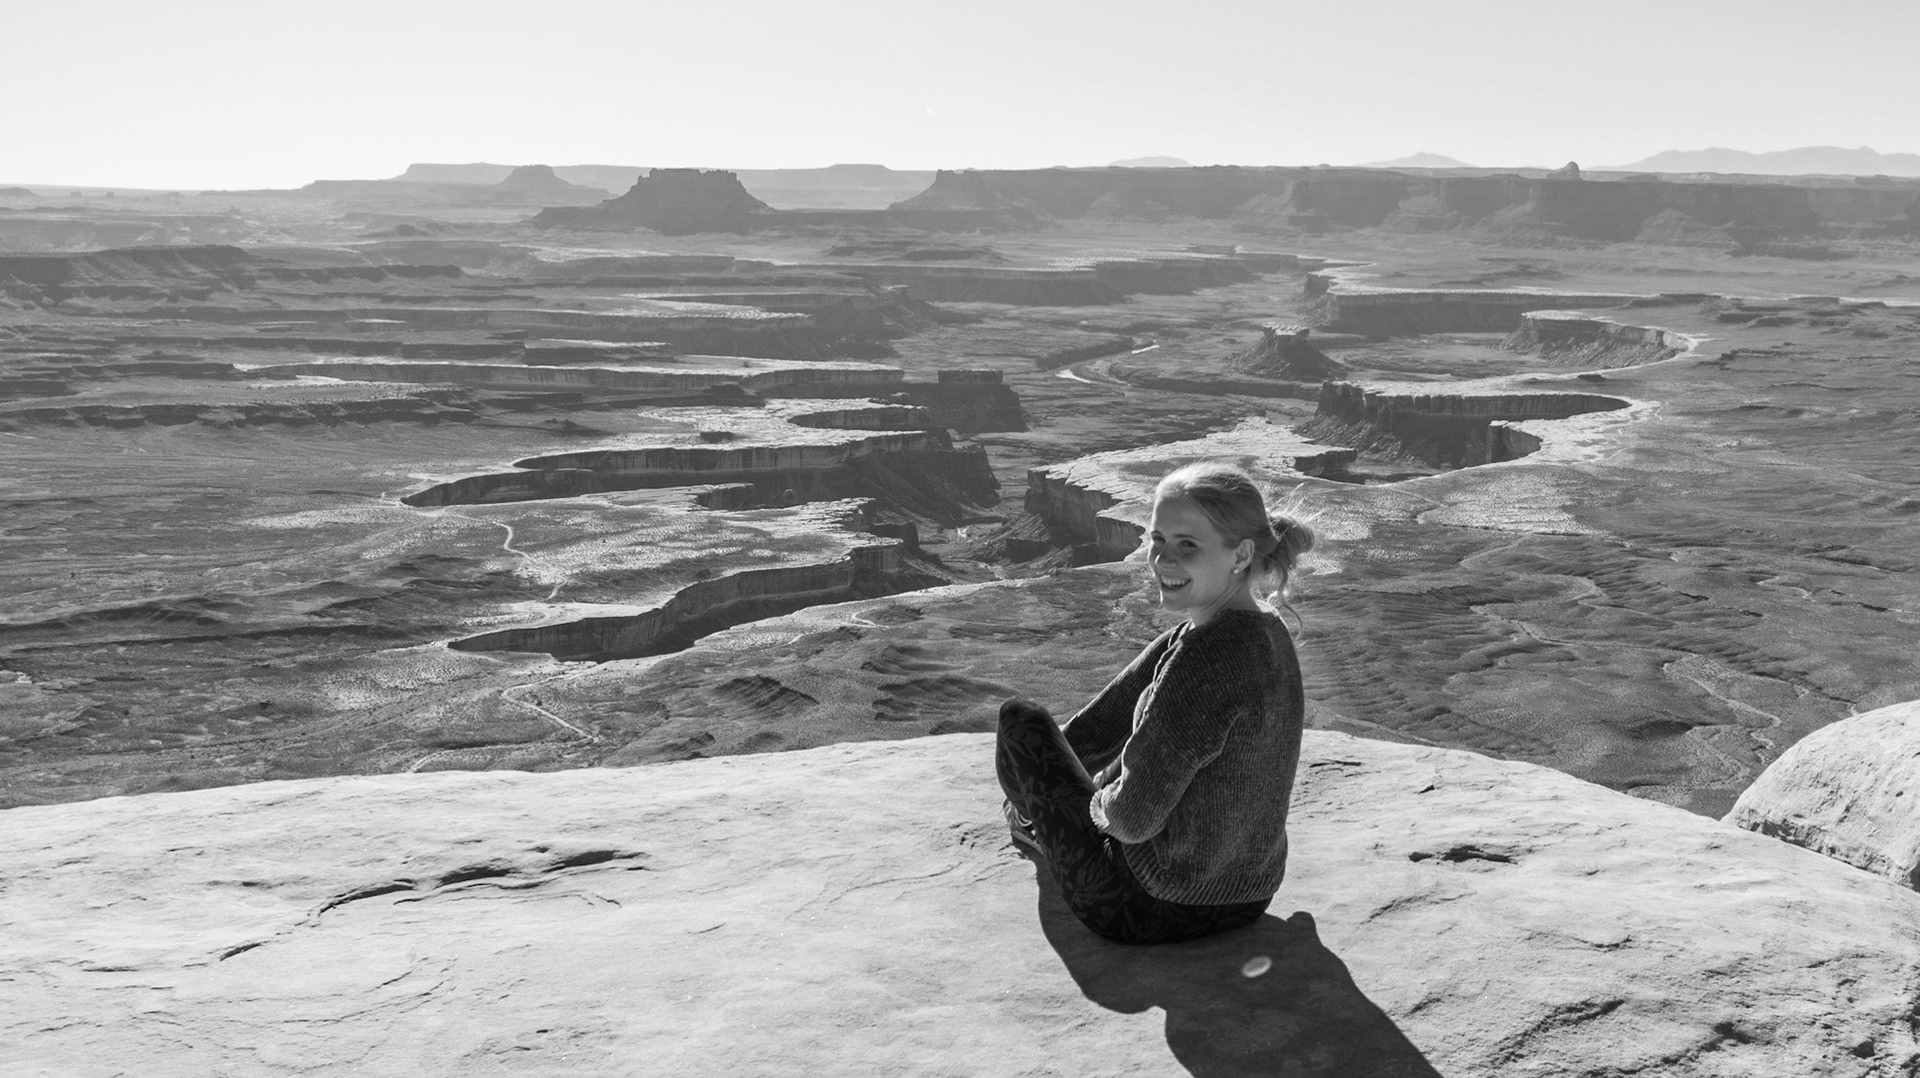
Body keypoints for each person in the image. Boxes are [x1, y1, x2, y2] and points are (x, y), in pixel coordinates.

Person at [995, 461, 1315, 945]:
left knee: (1021, 721)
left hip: (1146, 906)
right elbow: (1105, 720)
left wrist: (1092, 797)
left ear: (1241, 553)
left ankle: (1029, 823)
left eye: (1188, 544)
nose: (1163, 559)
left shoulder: (1204, 658)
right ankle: (1042, 815)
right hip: (1249, 895)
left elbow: (1131, 821)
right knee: (1075, 745)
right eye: (1156, 540)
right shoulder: (1264, 629)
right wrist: (1089, 771)